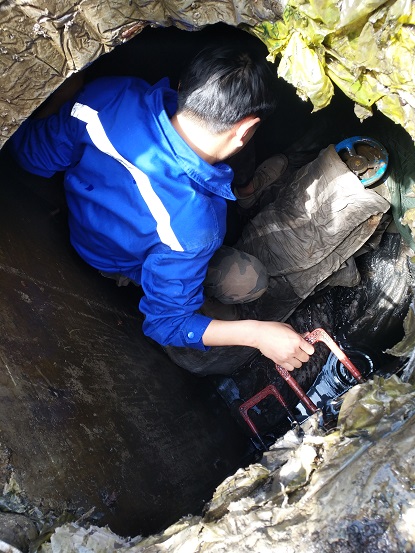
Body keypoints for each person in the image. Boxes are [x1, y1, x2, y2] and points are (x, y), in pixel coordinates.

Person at [8, 45, 314, 375]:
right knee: (251, 279)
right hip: (123, 263)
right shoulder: (197, 225)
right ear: (244, 129)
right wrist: (257, 334)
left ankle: (243, 192)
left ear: (183, 85)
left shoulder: (108, 95)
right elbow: (166, 324)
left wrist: (66, 94)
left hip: (87, 225)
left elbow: (30, 155)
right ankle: (242, 201)